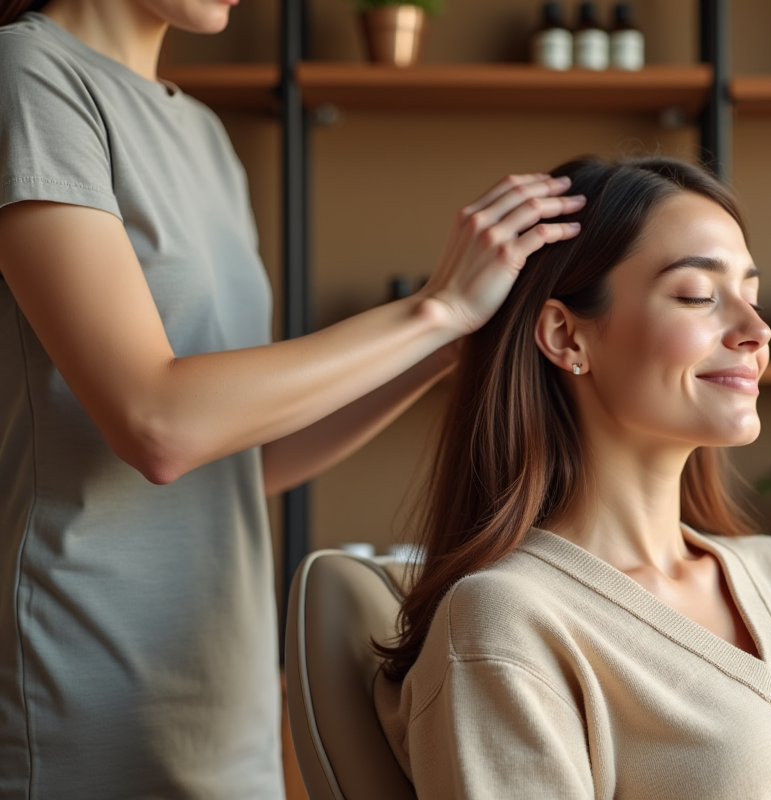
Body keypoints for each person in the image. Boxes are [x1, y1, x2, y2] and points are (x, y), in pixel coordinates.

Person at [0, 0, 586, 797]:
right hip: (80, 699)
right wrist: (433, 307)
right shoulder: (27, 77)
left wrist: (440, 350)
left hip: (224, 703)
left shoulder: (204, 137)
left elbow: (248, 456)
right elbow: (157, 424)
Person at [373, 156, 771, 799]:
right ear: (566, 335)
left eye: (751, 296)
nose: (757, 330)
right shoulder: (508, 620)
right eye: (699, 295)